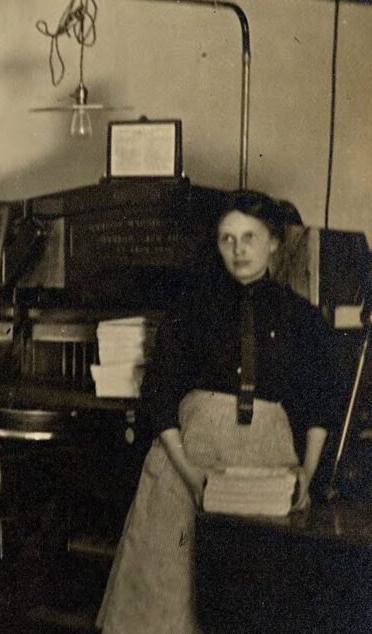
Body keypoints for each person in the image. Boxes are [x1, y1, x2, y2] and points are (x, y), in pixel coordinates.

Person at [97, 191, 342, 634]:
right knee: (168, 597)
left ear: (273, 243)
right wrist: (191, 475)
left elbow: (321, 400)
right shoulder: (191, 309)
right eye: (227, 238)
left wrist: (306, 472)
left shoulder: (301, 318)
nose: (238, 249)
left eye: (249, 237)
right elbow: (161, 392)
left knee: (253, 597)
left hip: (267, 466)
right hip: (186, 462)